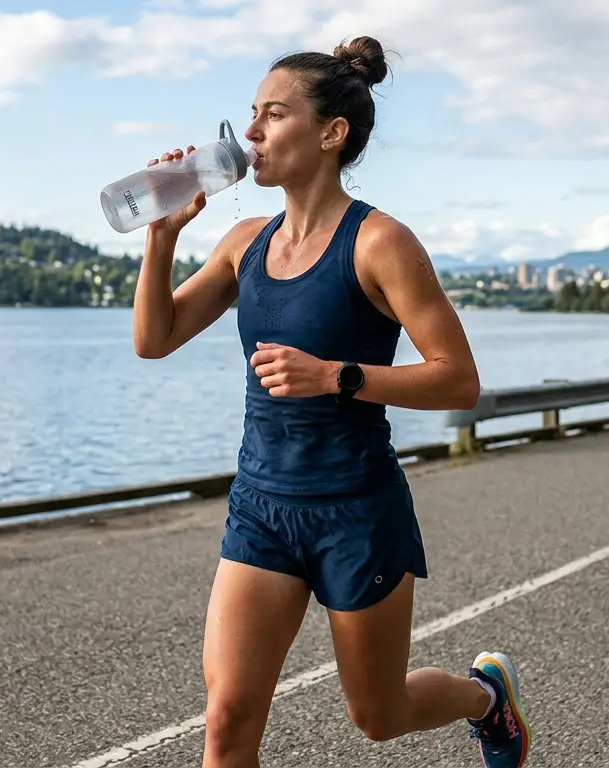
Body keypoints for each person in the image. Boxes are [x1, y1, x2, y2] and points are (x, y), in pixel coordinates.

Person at [130, 37, 530, 768]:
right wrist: (160, 240)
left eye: (273, 115)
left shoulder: (380, 243)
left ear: (330, 133)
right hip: (261, 506)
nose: (250, 132)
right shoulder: (243, 242)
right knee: (226, 722)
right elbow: (154, 340)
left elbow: (457, 379)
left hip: (355, 510)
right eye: (251, 115)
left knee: (379, 715)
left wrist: (338, 376)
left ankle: (486, 699)